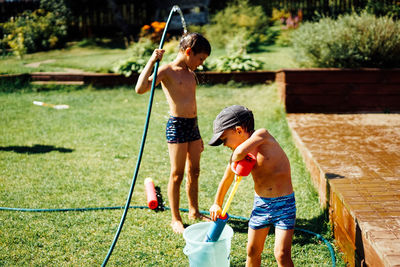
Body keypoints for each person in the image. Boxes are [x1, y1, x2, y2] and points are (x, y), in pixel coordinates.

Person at [135, 33, 211, 234]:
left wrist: (199, 133)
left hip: (193, 126)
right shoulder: (167, 70)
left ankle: (194, 211)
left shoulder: (190, 74)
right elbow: (140, 88)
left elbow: (192, 105)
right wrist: (152, 61)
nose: (201, 64)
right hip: (177, 125)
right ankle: (175, 218)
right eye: (200, 59)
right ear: (188, 52)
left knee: (194, 171)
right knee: (177, 174)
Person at [208, 105, 296, 267]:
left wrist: (234, 158)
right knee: (252, 251)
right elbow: (227, 179)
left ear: (239, 130)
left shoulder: (262, 135)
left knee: (282, 254)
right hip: (261, 205)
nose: (224, 145)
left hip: (284, 204)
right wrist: (217, 203)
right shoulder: (239, 154)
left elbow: (239, 153)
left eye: (224, 139)